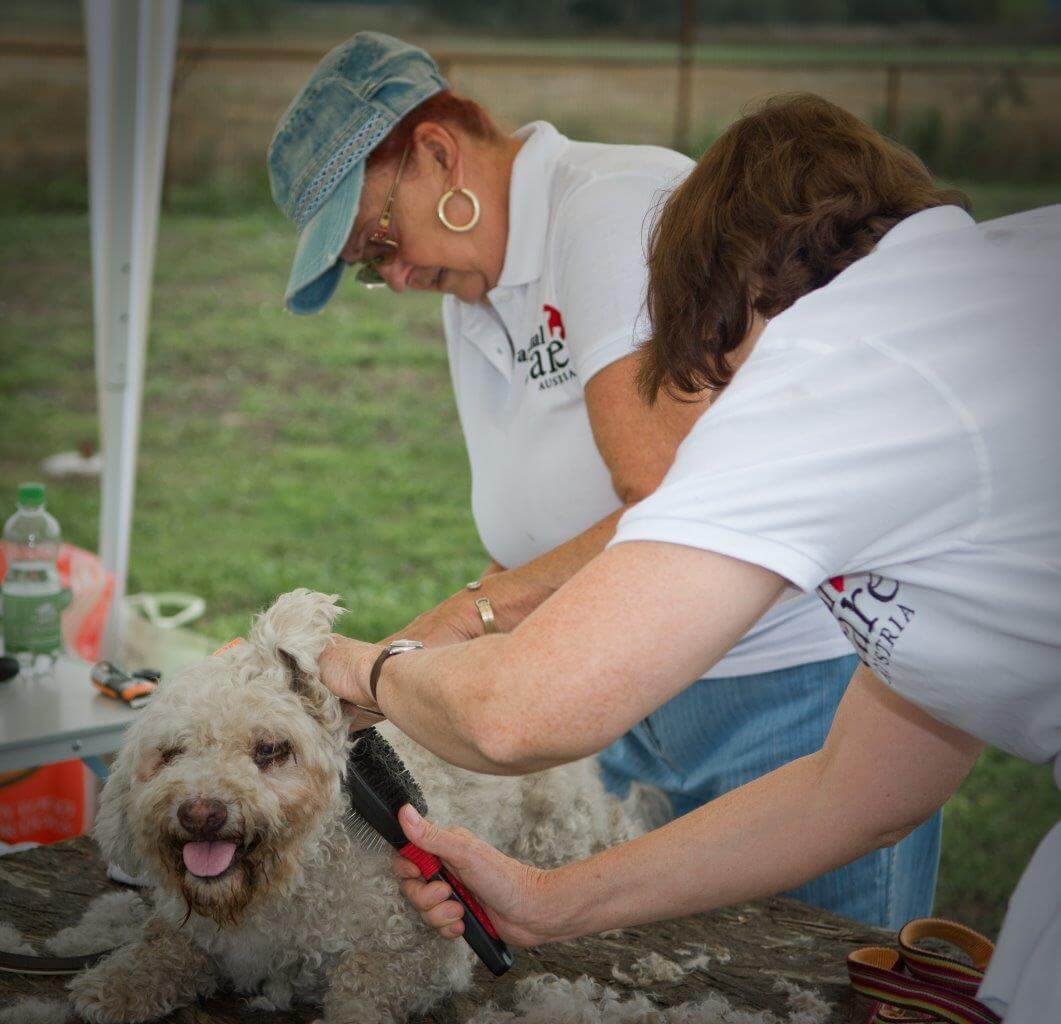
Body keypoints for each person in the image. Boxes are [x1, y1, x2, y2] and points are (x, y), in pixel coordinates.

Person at [318, 95, 1061, 1024]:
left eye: (713, 377)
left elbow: (519, 715)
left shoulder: (830, 366)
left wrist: (350, 666)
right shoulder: (963, 299)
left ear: (724, 303)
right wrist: (549, 903)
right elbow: (858, 793)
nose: (722, 406)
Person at [267, 34, 939, 927]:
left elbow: (669, 495)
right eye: (364, 265)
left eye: (379, 236)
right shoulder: (472, 291)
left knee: (815, 967)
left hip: (779, 694)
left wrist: (430, 638)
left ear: (436, 153)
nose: (391, 274)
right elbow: (537, 536)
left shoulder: (609, 211)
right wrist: (434, 656)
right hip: (628, 694)